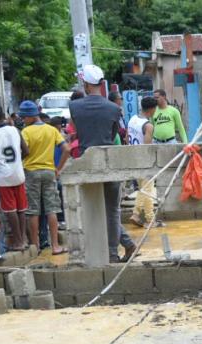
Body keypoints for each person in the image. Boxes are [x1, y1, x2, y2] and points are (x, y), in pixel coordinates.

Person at [69, 64, 137, 263]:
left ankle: (97, 253)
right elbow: (113, 135)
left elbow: (77, 132)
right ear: (101, 83)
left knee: (91, 211)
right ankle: (113, 253)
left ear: (85, 84)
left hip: (86, 164)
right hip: (109, 163)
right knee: (112, 211)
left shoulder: (75, 107)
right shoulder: (114, 108)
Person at [18, 100, 68, 255]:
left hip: (31, 172)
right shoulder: (51, 130)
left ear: (31, 116)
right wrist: (58, 169)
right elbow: (66, 149)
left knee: (33, 211)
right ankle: (55, 246)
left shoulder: (26, 132)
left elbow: (23, 151)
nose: (23, 120)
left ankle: (36, 246)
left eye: (24, 117)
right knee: (51, 209)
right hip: (49, 172)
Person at [0, 103, 29, 251]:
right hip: (18, 173)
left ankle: (18, 241)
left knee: (10, 211)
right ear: (3, 115)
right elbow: (26, 151)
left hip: (3, 177)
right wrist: (17, 162)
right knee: (21, 209)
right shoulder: (15, 130)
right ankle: (24, 239)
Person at [128, 96, 161, 228]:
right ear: (152, 109)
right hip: (143, 160)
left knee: (147, 189)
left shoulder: (132, 119)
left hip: (132, 157)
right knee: (147, 190)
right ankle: (136, 213)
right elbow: (147, 147)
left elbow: (127, 138)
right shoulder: (148, 126)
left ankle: (150, 219)